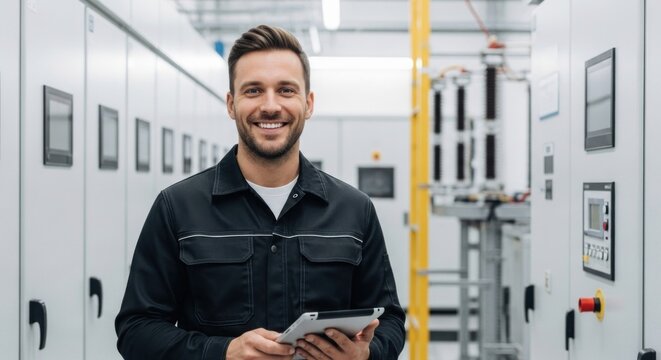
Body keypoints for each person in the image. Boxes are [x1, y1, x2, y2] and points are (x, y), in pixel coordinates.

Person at [115, 24, 406, 360]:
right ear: (230, 103)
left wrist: (366, 356)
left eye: (286, 90)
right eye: (253, 90)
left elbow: (391, 321)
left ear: (308, 103)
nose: (270, 106)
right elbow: (136, 330)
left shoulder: (354, 210)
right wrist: (222, 352)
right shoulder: (178, 207)